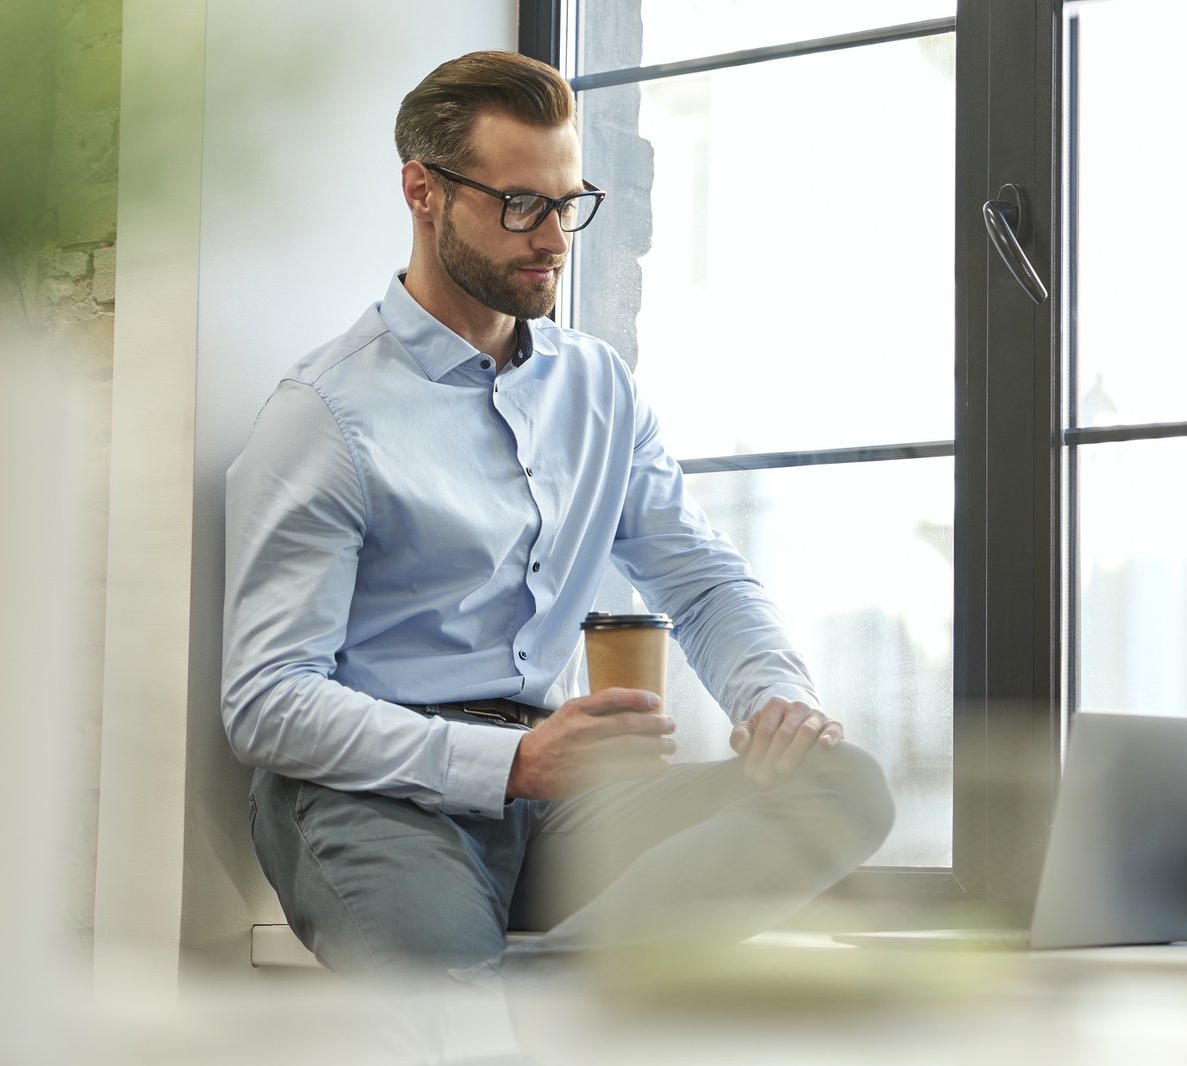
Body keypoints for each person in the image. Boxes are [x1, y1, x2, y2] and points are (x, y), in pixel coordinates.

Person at [221, 50, 894, 984]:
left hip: (563, 795)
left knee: (841, 785)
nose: (553, 237)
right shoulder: (326, 415)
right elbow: (266, 702)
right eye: (520, 204)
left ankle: (549, 1012)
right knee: (452, 993)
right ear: (423, 192)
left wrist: (776, 700)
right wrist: (508, 763)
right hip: (374, 797)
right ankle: (536, 1017)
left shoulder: (597, 387)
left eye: (568, 203)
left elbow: (702, 582)